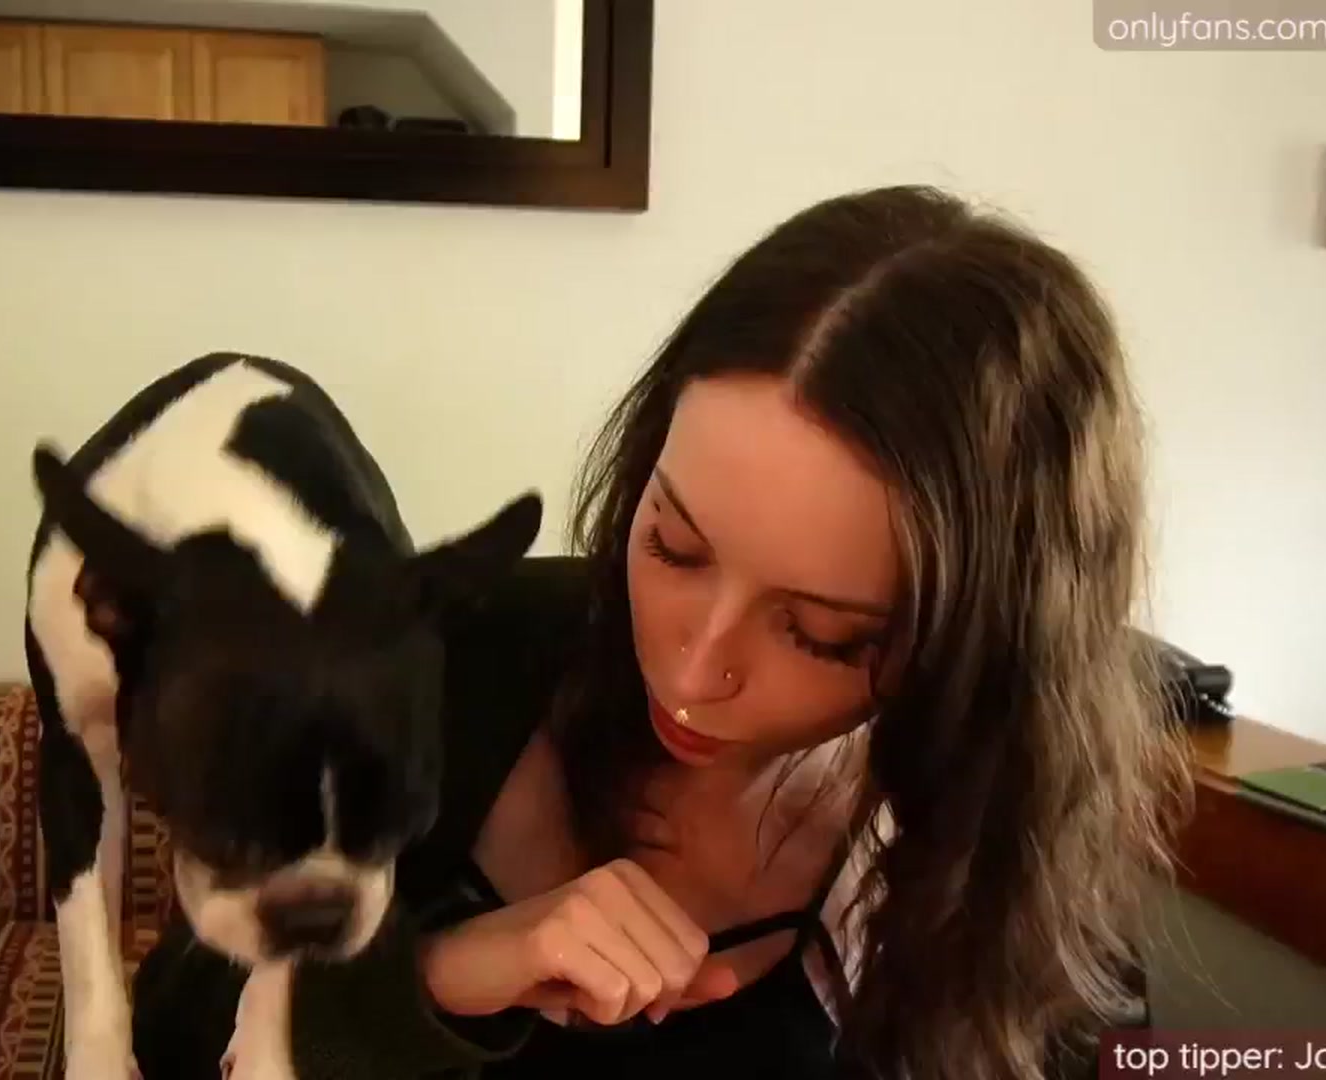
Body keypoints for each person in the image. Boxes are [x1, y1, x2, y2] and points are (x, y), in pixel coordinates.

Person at [129, 184, 1194, 1080]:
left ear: (977, 641)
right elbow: (173, 1027)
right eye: (674, 547)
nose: (694, 668)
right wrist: (444, 974)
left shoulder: (1002, 856)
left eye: (820, 634)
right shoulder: (452, 653)